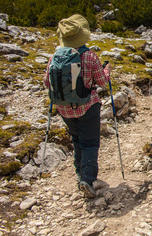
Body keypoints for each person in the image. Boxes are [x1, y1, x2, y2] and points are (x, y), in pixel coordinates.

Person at [44, 14, 111, 198]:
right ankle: (87, 180)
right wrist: (107, 71)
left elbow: (46, 83)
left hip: (64, 108)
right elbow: (102, 82)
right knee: (90, 143)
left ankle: (80, 175)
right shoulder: (89, 56)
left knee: (77, 141)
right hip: (88, 107)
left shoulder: (55, 57)